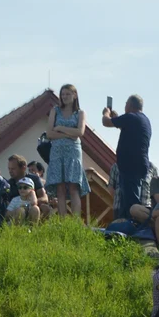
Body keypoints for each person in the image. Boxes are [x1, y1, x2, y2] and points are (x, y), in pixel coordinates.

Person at [103, 94, 152, 219]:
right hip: (139, 164)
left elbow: (106, 122)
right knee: (130, 196)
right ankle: (127, 222)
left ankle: (135, 223)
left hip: (130, 164)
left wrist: (106, 113)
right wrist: (117, 118)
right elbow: (125, 126)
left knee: (131, 200)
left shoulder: (130, 117)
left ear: (129, 105)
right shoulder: (143, 119)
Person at [45, 84, 90, 217]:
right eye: (62, 94)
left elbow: (80, 132)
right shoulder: (55, 110)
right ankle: (63, 220)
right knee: (60, 187)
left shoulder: (80, 113)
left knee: (73, 186)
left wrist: (60, 128)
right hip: (57, 152)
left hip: (73, 153)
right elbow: (49, 134)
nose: (64, 97)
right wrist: (69, 133)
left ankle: (75, 221)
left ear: (74, 95)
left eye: (67, 94)